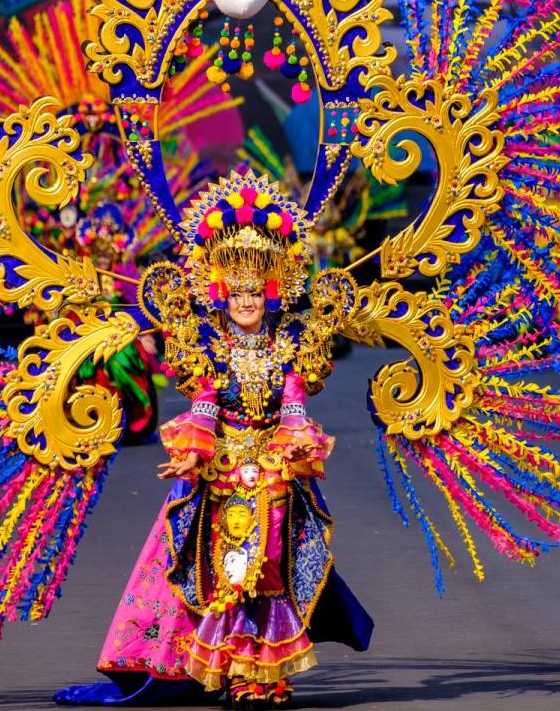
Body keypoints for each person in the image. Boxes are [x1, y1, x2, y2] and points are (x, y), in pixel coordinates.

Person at [56, 175, 372, 709]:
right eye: (237, 292)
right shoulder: (208, 345)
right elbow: (203, 407)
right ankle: (214, 665)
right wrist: (189, 455)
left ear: (270, 291)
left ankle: (261, 671)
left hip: (273, 475)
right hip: (219, 477)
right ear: (221, 291)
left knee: (266, 575)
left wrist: (297, 446)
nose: (246, 301)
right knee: (219, 573)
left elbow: (293, 405)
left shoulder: (290, 344)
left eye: (255, 292)